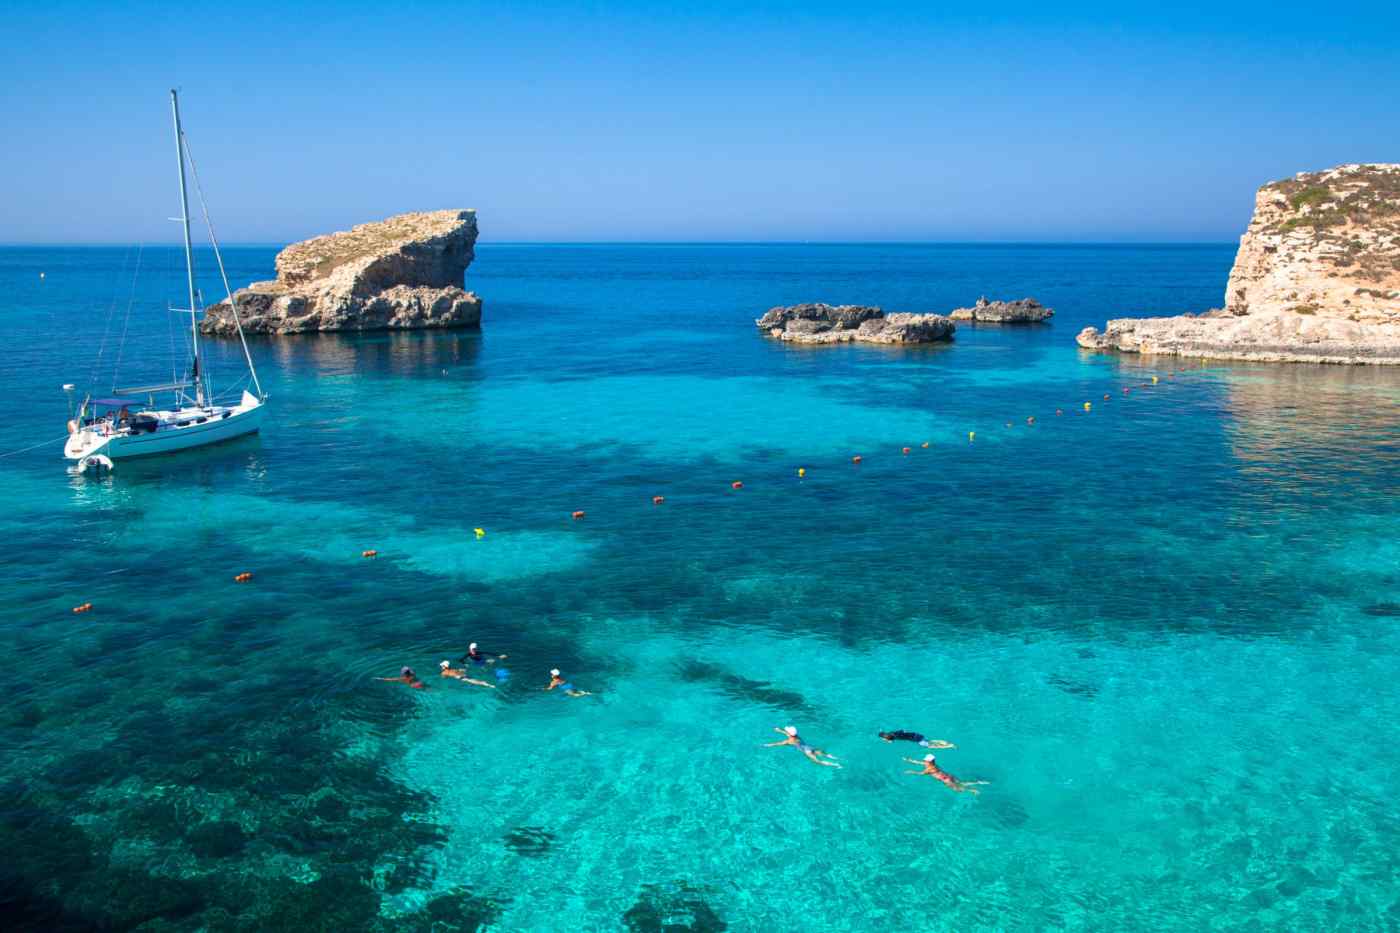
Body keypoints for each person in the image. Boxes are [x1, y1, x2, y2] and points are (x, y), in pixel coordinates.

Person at [904, 754, 988, 794]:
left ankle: (972, 790)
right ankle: (978, 782)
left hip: (946, 780)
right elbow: (919, 762)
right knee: (961, 782)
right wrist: (910, 760)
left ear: (929, 761)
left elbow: (921, 773)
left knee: (958, 789)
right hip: (948, 776)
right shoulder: (932, 765)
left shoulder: (930, 768)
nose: (924, 761)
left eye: (925, 760)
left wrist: (912, 772)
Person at [764, 725, 841, 768]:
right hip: (809, 747)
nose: (786, 732)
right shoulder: (796, 736)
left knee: (818, 762)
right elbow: (787, 733)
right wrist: (779, 730)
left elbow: (777, 744)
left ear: (789, 733)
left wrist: (768, 745)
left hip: (807, 751)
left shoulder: (789, 741)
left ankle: (836, 765)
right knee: (823, 754)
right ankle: (835, 758)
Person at [879, 730, 954, 750]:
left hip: (916, 739)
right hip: (916, 734)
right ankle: (945, 742)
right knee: (930, 741)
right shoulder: (892, 733)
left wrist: (886, 740)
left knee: (930, 746)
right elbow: (904, 730)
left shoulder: (893, 737)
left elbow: (890, 741)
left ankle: (949, 746)